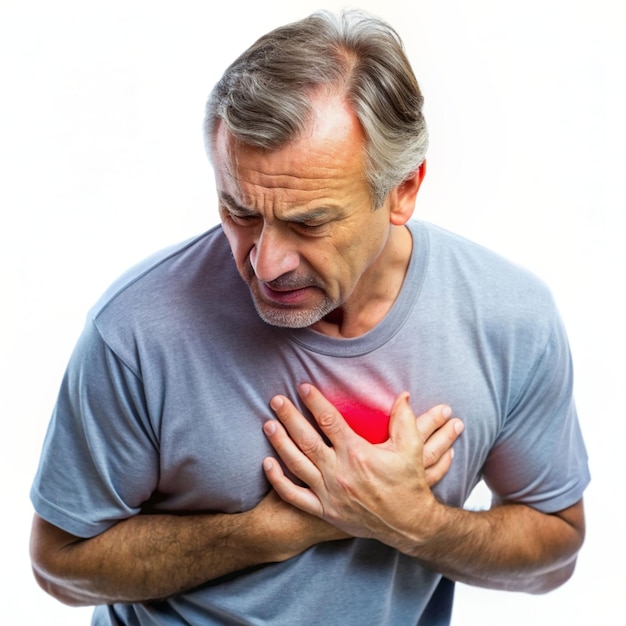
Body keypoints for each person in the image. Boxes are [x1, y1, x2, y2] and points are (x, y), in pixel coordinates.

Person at [29, 9, 590, 626]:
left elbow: (553, 554)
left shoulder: (511, 319)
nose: (265, 264)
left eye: (309, 223)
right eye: (239, 210)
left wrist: (416, 523)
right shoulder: (135, 330)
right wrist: (268, 531)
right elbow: (61, 563)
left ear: (403, 190)